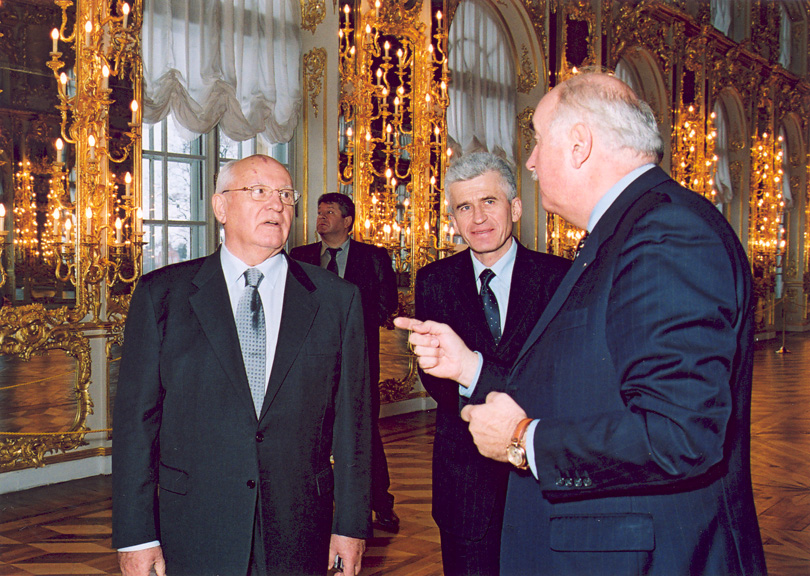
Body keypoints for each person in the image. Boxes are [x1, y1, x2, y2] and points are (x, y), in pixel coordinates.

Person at [396, 71, 767, 575]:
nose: (530, 161)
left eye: (537, 141)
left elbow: (679, 434)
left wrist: (523, 439)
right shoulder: (628, 230)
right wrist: (470, 369)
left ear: (578, 144)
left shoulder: (666, 233)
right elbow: (583, 390)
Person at [112, 155, 371, 576]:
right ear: (220, 207)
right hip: (195, 526)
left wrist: (351, 526)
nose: (276, 205)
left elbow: (354, 426)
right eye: (258, 191)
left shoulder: (337, 299)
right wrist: (136, 536)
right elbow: (135, 425)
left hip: (300, 526)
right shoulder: (163, 295)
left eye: (285, 194)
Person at [414, 152, 569, 575]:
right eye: (464, 207)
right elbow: (437, 380)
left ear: (515, 208)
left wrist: (478, 375)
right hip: (465, 481)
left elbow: (564, 377)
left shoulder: (560, 278)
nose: (478, 218)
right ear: (453, 218)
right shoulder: (434, 281)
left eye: (489, 201)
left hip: (542, 478)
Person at [290, 193, 400, 531]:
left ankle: (380, 503)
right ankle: (307, 506)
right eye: (319, 212)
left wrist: (351, 331)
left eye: (330, 212)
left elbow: (387, 302)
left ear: (348, 220)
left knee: (363, 429)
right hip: (310, 359)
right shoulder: (301, 256)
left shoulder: (373, 257)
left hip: (358, 358)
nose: (321, 218)